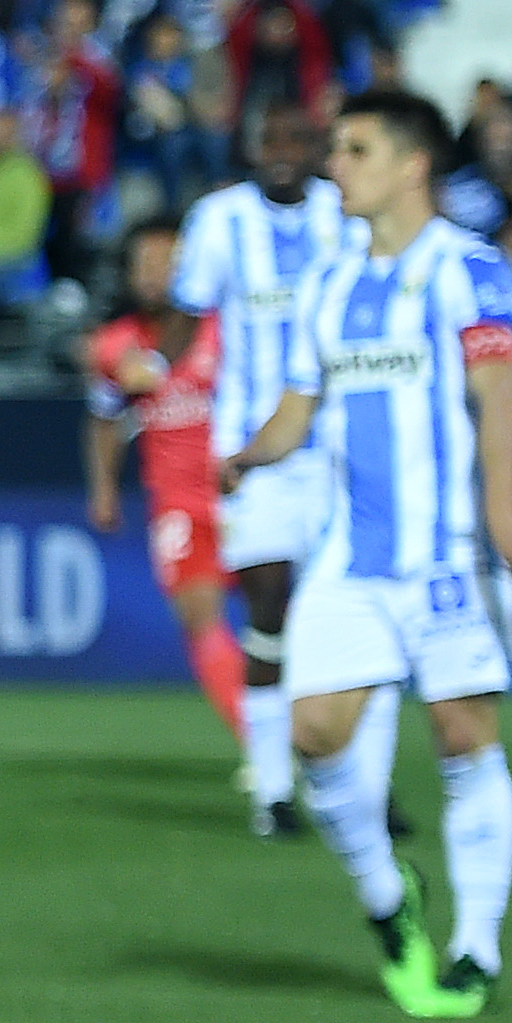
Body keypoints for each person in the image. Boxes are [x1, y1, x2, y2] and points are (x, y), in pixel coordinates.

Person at [219, 89, 512, 1018]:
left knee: (462, 736)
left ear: (410, 166)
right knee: (314, 734)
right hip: (348, 557)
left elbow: (498, 394)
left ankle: (474, 952)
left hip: (443, 552)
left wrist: (500, 514)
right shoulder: (329, 285)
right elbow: (299, 410)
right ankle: (387, 897)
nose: (334, 165)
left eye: (354, 149)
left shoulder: (468, 268)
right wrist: (245, 455)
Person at [171, 108, 377, 835]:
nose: (283, 153)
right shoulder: (216, 220)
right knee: (270, 606)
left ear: (317, 151)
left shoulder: (344, 215)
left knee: (352, 620)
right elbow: (185, 316)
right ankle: (271, 790)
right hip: (248, 450)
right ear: (251, 146)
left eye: (296, 141)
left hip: (335, 446)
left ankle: (356, 787)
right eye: (270, 140)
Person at [82, 221, 245, 748]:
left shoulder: (228, 330)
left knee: (282, 622)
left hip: (246, 496)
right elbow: (105, 418)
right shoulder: (115, 345)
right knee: (201, 620)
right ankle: (263, 746)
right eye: (143, 265)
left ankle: (300, 734)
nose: (154, 276)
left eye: (167, 263)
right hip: (178, 504)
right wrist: (104, 489)